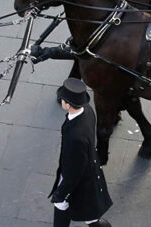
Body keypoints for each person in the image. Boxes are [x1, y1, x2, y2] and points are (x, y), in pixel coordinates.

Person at [50, 78, 113, 227]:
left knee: (61, 203)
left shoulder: (76, 137)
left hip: (82, 178)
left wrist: (61, 193)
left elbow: (74, 171)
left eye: (63, 100)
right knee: (88, 212)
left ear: (68, 104)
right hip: (89, 169)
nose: (61, 102)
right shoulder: (88, 110)